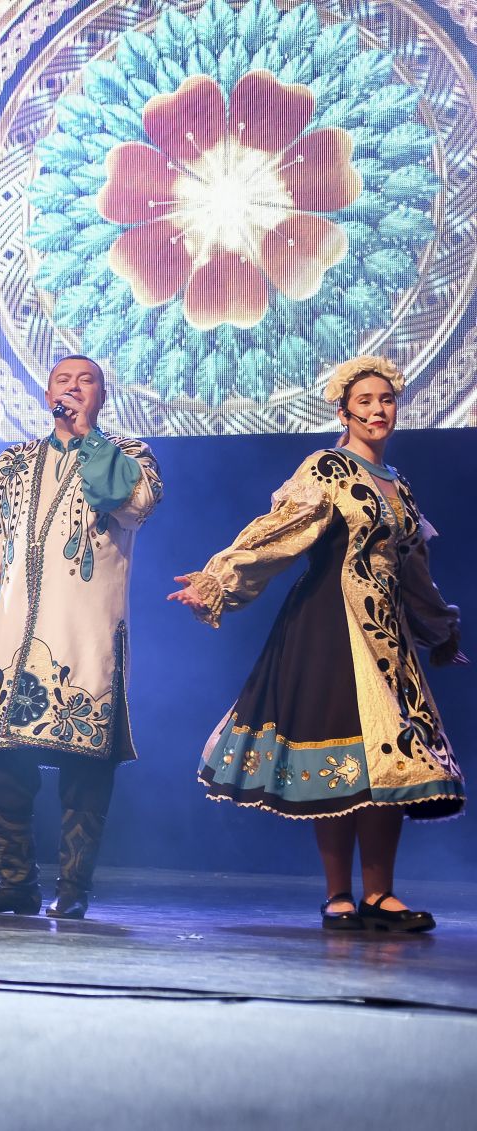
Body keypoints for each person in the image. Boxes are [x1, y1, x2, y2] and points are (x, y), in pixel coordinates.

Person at [168, 355, 464, 932]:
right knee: (343, 757)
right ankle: (338, 894)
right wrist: (217, 580)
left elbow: (413, 571)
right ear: (343, 413)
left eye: (385, 400)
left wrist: (440, 630)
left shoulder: (398, 485)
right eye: (364, 402)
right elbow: (277, 534)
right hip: (330, 627)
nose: (377, 410)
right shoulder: (328, 469)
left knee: (392, 761)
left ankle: (380, 894)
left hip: (389, 639)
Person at [0, 355, 162, 919]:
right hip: (15, 630)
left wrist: (88, 440)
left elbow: (130, 504)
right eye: (64, 380)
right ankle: (15, 883)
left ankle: (73, 889)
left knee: (84, 762)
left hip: (86, 631)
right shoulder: (13, 463)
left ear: (102, 397)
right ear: (46, 395)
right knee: (2, 755)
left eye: (87, 381)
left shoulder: (130, 457)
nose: (74, 388)